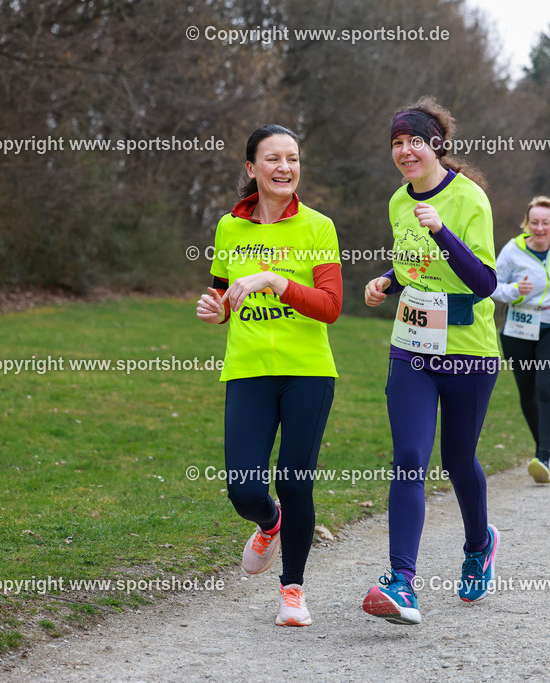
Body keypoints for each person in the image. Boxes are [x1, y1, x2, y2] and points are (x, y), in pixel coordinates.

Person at [196, 124, 342, 627]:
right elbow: (221, 299)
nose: (285, 168)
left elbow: (330, 307)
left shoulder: (318, 227)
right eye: (274, 159)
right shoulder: (228, 228)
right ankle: (268, 521)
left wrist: (274, 280)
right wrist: (214, 311)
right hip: (249, 371)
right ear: (251, 167)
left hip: (307, 373)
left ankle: (293, 591)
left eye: (293, 158)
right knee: (243, 489)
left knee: (296, 481)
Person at [362, 97, 500, 625]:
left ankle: (477, 544)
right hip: (412, 347)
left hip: (467, 350)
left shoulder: (469, 200)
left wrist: (442, 231)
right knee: (410, 455)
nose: (404, 151)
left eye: (414, 140)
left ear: (437, 144)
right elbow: (408, 266)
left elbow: (485, 284)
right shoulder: (398, 202)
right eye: (397, 142)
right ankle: (401, 581)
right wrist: (386, 281)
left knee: (458, 459)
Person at [492, 196, 550, 483]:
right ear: (527, 224)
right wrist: (514, 290)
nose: (540, 228)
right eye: (534, 222)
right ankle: (542, 450)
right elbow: (491, 286)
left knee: (546, 388)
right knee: (527, 394)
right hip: (519, 327)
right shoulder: (512, 251)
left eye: (545, 223)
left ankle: (544, 456)